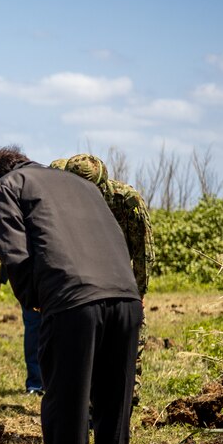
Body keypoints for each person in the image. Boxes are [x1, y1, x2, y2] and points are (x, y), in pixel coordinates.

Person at [0, 145, 142, 444]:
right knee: (114, 405)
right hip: (126, 297)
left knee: (65, 403)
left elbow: (14, 251)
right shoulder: (82, 185)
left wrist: (34, 299)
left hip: (72, 301)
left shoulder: (5, 187)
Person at [59, 153, 154, 405]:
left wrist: (139, 292)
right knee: (86, 351)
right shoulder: (64, 202)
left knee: (127, 349)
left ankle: (124, 406)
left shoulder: (125, 200)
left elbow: (143, 251)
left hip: (121, 284)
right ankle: (90, 408)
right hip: (83, 288)